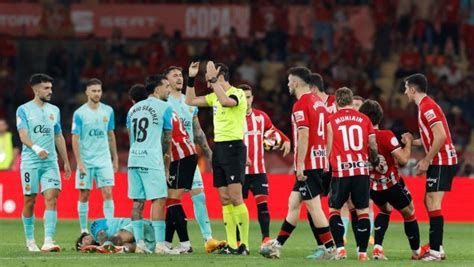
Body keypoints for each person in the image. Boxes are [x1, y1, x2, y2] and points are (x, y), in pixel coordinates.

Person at [260, 67, 336, 260]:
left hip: (308, 165)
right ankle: (276, 246)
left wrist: (300, 164)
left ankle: (331, 249)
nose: (287, 85)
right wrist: (325, 158)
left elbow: (304, 134)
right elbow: (329, 131)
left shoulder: (301, 104)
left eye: (288, 81)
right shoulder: (319, 103)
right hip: (317, 162)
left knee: (314, 207)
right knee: (294, 203)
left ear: (295, 82)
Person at [186, 61, 250, 255]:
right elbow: (190, 101)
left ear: (220, 76)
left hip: (234, 148)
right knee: (224, 198)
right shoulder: (214, 95)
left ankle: (244, 245)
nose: (207, 80)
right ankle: (231, 245)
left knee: (236, 196)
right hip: (219, 149)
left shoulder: (237, 94)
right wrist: (191, 78)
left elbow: (226, 101)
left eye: (210, 77)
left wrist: (213, 80)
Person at [163, 66, 225, 253]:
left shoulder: (190, 102)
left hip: (189, 156)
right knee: (173, 200)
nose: (179, 78)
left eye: (180, 75)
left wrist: (209, 154)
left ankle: (208, 239)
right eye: (174, 75)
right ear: (166, 81)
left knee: (199, 196)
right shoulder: (163, 103)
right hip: (171, 158)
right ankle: (167, 241)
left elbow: (197, 131)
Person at [359, 100, 425, 260]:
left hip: (373, 187)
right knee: (409, 213)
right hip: (392, 184)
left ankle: (377, 249)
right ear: (379, 117)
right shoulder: (385, 135)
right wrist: (408, 143)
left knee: (384, 210)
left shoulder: (359, 139)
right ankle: (417, 252)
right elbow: (402, 159)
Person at [402, 73, 458, 261]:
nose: (404, 92)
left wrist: (426, 160)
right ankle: (437, 246)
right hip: (439, 159)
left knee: (433, 202)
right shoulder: (424, 106)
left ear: (413, 89)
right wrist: (413, 141)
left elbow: (440, 136)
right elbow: (431, 137)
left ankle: (435, 251)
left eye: (406, 88)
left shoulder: (427, 107)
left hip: (441, 160)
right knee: (428, 201)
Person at [16, 73, 71, 252]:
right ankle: (30, 240)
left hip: (50, 163)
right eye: (46, 88)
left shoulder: (54, 110)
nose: (50, 91)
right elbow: (23, 136)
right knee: (30, 201)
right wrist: (37, 148)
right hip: (30, 162)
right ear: (35, 89)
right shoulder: (23, 110)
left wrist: (66, 161)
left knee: (51, 198)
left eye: (51, 88)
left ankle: (48, 240)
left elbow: (58, 136)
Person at [326, 87, 379, 261]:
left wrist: (326, 164)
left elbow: (329, 146)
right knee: (362, 210)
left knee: (334, 210)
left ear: (336, 102)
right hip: (361, 171)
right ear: (350, 101)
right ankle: (362, 253)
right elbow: (372, 145)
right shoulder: (364, 119)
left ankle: (340, 249)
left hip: (340, 171)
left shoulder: (331, 120)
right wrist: (374, 160)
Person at [126, 76, 177, 254]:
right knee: (158, 200)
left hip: (133, 158)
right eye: (167, 86)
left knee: (138, 202)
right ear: (156, 90)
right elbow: (167, 138)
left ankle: (140, 244)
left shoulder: (132, 109)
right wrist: (165, 163)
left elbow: (130, 136)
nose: (169, 90)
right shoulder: (165, 107)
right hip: (151, 159)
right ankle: (160, 244)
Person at [238, 83, 290, 244]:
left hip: (258, 171)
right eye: (243, 97)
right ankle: (238, 241)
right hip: (239, 171)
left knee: (262, 205)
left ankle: (265, 238)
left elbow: (273, 131)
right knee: (238, 208)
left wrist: (286, 140)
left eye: (248, 97)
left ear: (252, 98)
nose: (246, 100)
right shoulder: (232, 117)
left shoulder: (261, 117)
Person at [72, 78, 118, 234]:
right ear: (87, 92)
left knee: (108, 192)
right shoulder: (79, 113)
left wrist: (115, 158)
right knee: (84, 193)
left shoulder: (108, 111)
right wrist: (79, 162)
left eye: (99, 90)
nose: (97, 94)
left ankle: (110, 227)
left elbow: (111, 134)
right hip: (86, 160)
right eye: (94, 91)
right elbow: (75, 138)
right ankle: (84, 229)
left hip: (104, 159)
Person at [75, 217, 155, 254]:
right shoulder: (99, 243)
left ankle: (109, 248)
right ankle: (123, 249)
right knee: (126, 247)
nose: (84, 240)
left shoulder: (94, 225)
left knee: (117, 239)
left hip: (140, 226)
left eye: (82, 239)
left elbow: (102, 235)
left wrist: (104, 247)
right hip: (150, 242)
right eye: (82, 243)